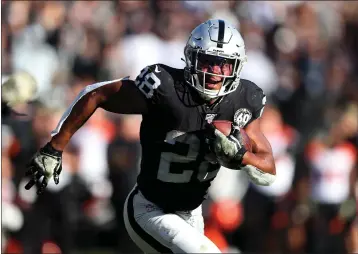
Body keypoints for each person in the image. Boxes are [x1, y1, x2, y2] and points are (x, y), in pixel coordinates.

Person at [24, 19, 276, 253]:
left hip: (192, 214)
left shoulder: (245, 100)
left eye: (223, 64)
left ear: (237, 67)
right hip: (149, 209)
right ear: (191, 58)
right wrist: (54, 147)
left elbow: (268, 169)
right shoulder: (164, 88)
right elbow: (96, 94)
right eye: (208, 61)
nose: (215, 73)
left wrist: (241, 156)